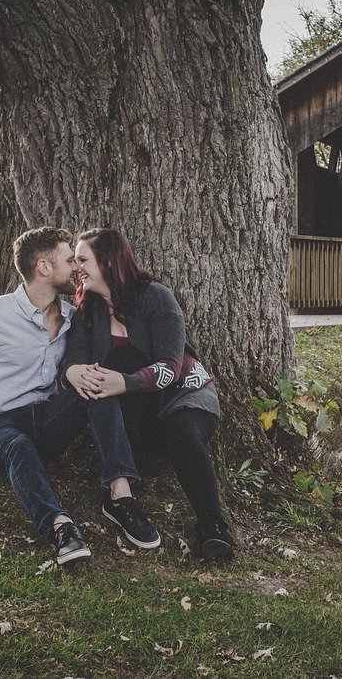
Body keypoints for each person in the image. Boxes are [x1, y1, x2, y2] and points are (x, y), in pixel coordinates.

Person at [0, 227, 159, 565]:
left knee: (95, 384)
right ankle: (60, 527)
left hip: (45, 418)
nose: (77, 267)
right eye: (70, 259)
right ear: (43, 267)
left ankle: (120, 495)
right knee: (18, 447)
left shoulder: (73, 318)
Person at [62, 227, 235, 560]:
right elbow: (75, 359)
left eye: (82, 259)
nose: (76, 267)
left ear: (108, 261)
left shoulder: (156, 297)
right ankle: (120, 490)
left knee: (182, 433)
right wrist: (72, 372)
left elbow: (170, 367)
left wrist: (123, 382)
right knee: (117, 361)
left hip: (184, 396)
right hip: (138, 416)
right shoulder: (90, 311)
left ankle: (213, 528)